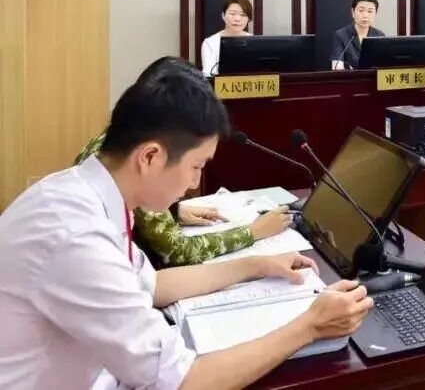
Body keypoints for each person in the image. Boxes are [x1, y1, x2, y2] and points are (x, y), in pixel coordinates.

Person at [0, 60, 372, 390]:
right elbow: (181, 381)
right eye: (196, 166)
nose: (194, 184)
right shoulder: (75, 235)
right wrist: (309, 326)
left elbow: (152, 286)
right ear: (150, 157)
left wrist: (256, 266)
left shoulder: (89, 194)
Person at [73, 58, 291, 266]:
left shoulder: (113, 149)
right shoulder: (91, 223)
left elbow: (146, 279)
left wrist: (174, 212)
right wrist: (252, 232)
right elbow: (177, 252)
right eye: (196, 166)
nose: (195, 182)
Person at [330, 0, 386, 70]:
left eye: (370, 11)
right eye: (361, 10)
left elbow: (383, 65)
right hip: (350, 77)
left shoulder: (380, 36)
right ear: (353, 12)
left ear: (375, 13)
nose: (365, 15)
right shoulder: (341, 35)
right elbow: (337, 67)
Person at [201, 0, 253, 76]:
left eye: (243, 15)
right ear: (223, 16)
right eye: (232, 14)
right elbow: (208, 75)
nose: (237, 19)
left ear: (249, 19)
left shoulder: (254, 41)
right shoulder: (210, 42)